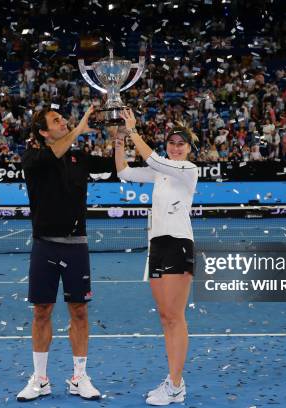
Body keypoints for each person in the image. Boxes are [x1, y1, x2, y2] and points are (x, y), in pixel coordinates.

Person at [17, 105, 112, 402]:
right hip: (45, 244)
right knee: (41, 311)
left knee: (79, 312)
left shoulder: (77, 157)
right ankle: (40, 379)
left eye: (63, 119)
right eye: (56, 121)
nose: (63, 122)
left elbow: (115, 167)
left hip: (76, 246)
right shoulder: (33, 157)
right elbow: (54, 153)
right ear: (44, 132)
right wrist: (78, 129)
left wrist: (122, 136)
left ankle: (79, 377)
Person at [114, 109, 199, 406]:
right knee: (166, 317)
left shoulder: (187, 170)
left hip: (179, 244)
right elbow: (124, 172)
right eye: (172, 142)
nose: (176, 147)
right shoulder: (161, 171)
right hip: (157, 245)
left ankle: (175, 386)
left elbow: (151, 159)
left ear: (189, 149)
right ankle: (175, 381)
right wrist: (120, 140)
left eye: (181, 143)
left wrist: (134, 130)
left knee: (176, 317)